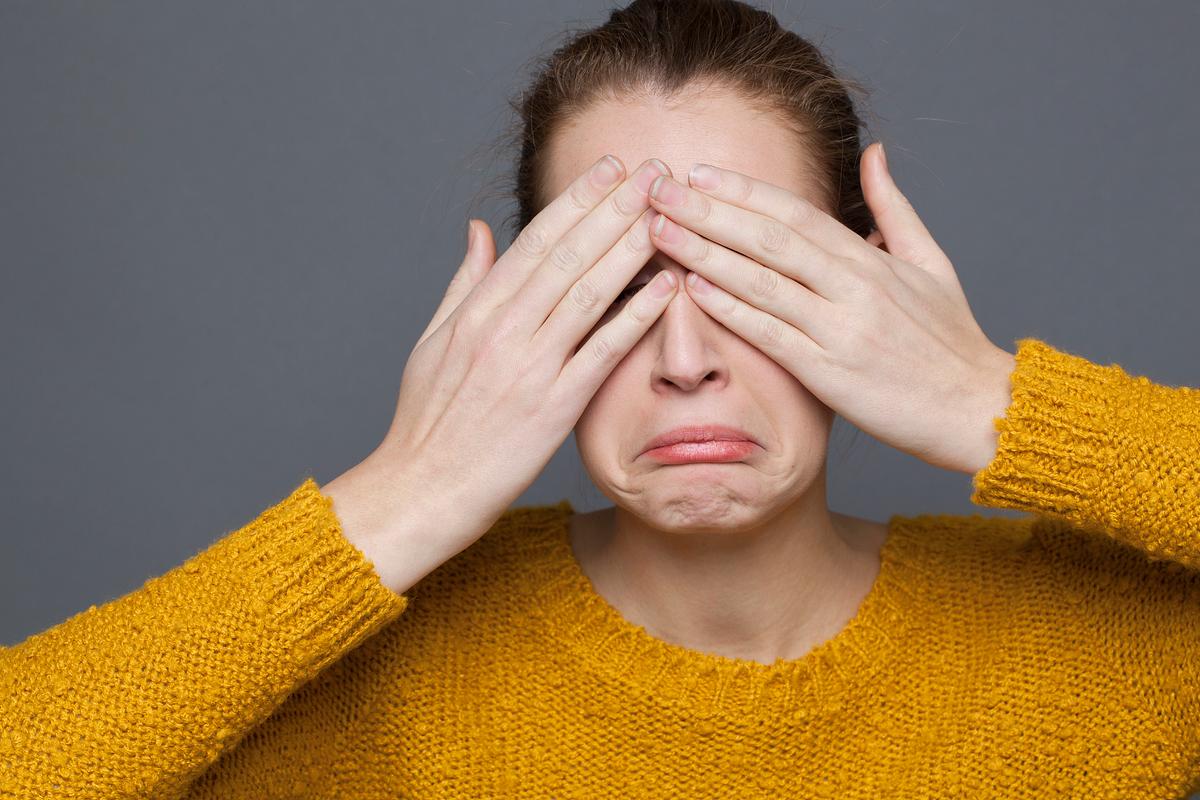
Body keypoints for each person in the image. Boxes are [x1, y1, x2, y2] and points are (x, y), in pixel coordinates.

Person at [3, 0, 1198, 797]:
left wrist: (991, 397)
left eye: (754, 274)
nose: (683, 355)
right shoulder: (389, 677)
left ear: (876, 291)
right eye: (613, 284)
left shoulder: (1098, 645)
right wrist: (405, 491)